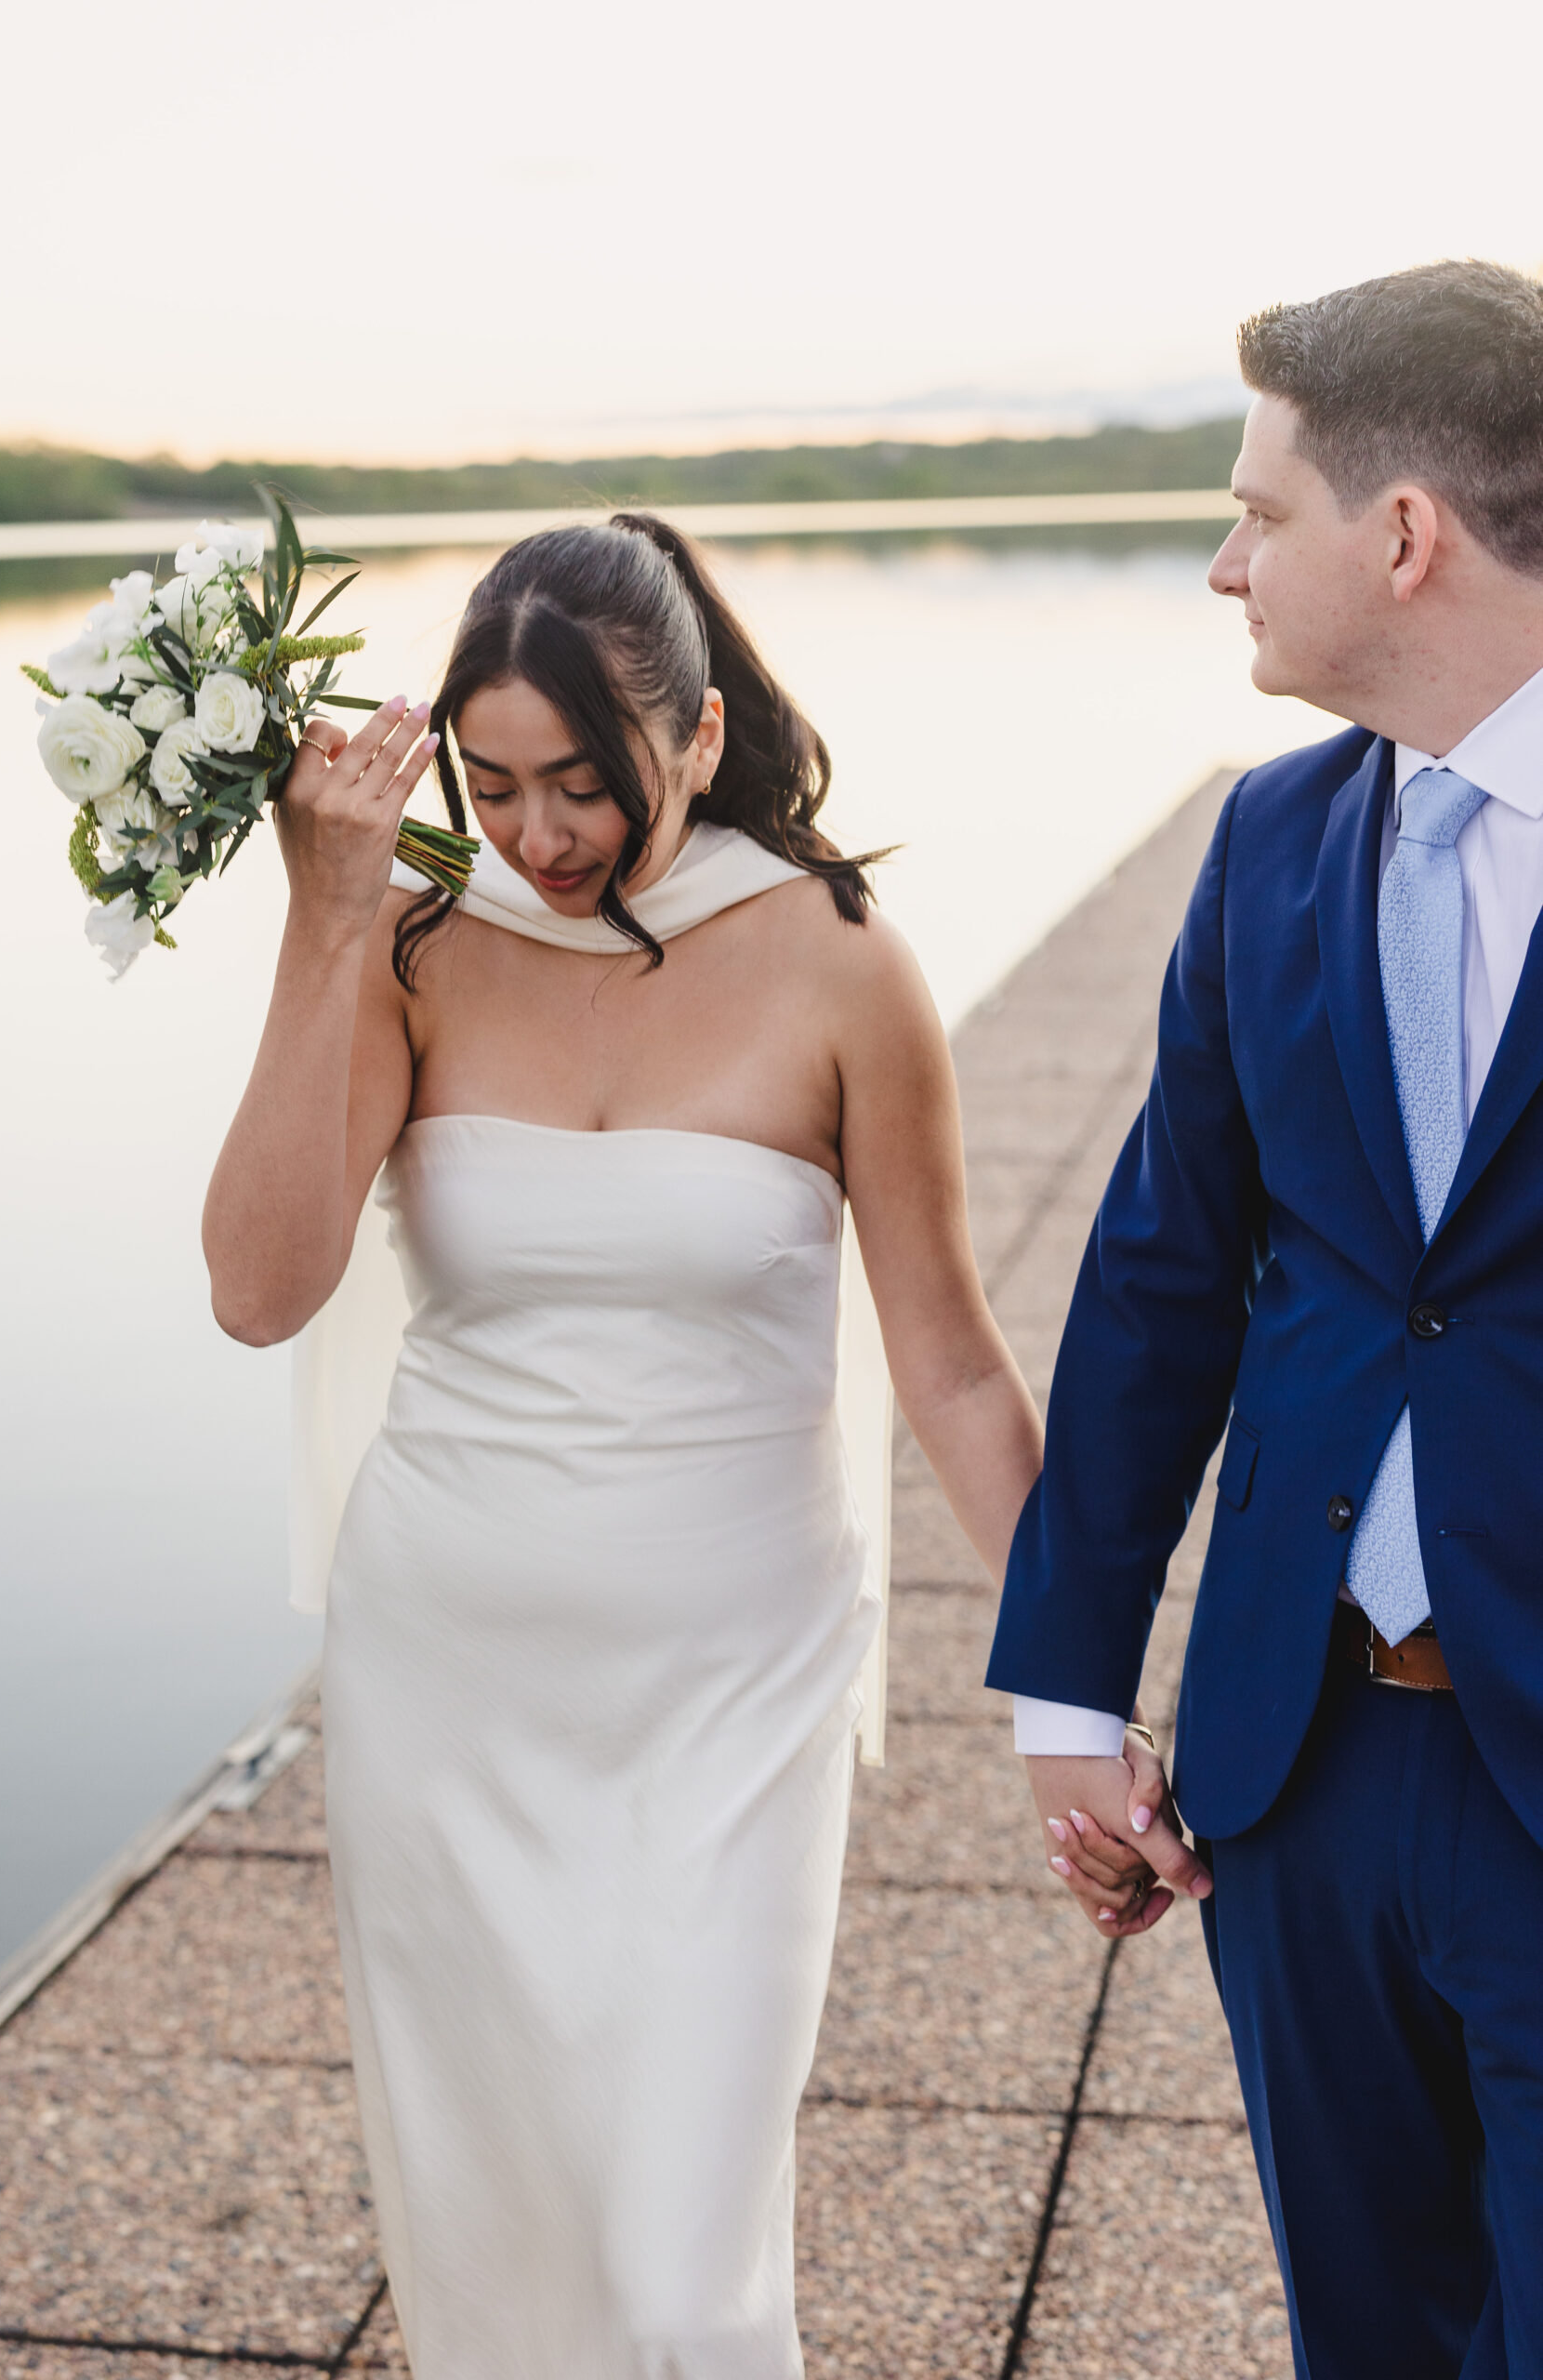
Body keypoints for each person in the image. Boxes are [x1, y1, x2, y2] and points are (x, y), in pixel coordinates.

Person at [204, 514, 1051, 2378]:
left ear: (698, 731)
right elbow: (260, 1290)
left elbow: (953, 1366)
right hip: (451, 1679)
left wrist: (1079, 1677)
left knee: (679, 2271)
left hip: (726, 1691)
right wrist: (325, 919)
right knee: (495, 2230)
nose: (539, 837)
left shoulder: (840, 964)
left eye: (584, 783)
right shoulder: (417, 945)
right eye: (492, 784)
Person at [987, 258, 1543, 2377]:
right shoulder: (1269, 841)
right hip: (1294, 1768)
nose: (1224, 564)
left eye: (1255, 510)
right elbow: (1160, 1271)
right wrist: (1066, 1688)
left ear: (1400, 535)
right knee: (1365, 2333)